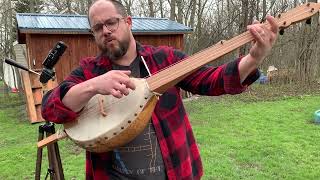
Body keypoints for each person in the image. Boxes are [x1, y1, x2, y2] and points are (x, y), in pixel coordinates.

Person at [41, 0, 279, 179]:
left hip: (174, 173)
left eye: (111, 22)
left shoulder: (165, 59)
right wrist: (94, 86)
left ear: (128, 22)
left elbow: (211, 80)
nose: (106, 31)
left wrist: (253, 59)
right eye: (97, 27)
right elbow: (50, 107)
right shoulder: (89, 71)